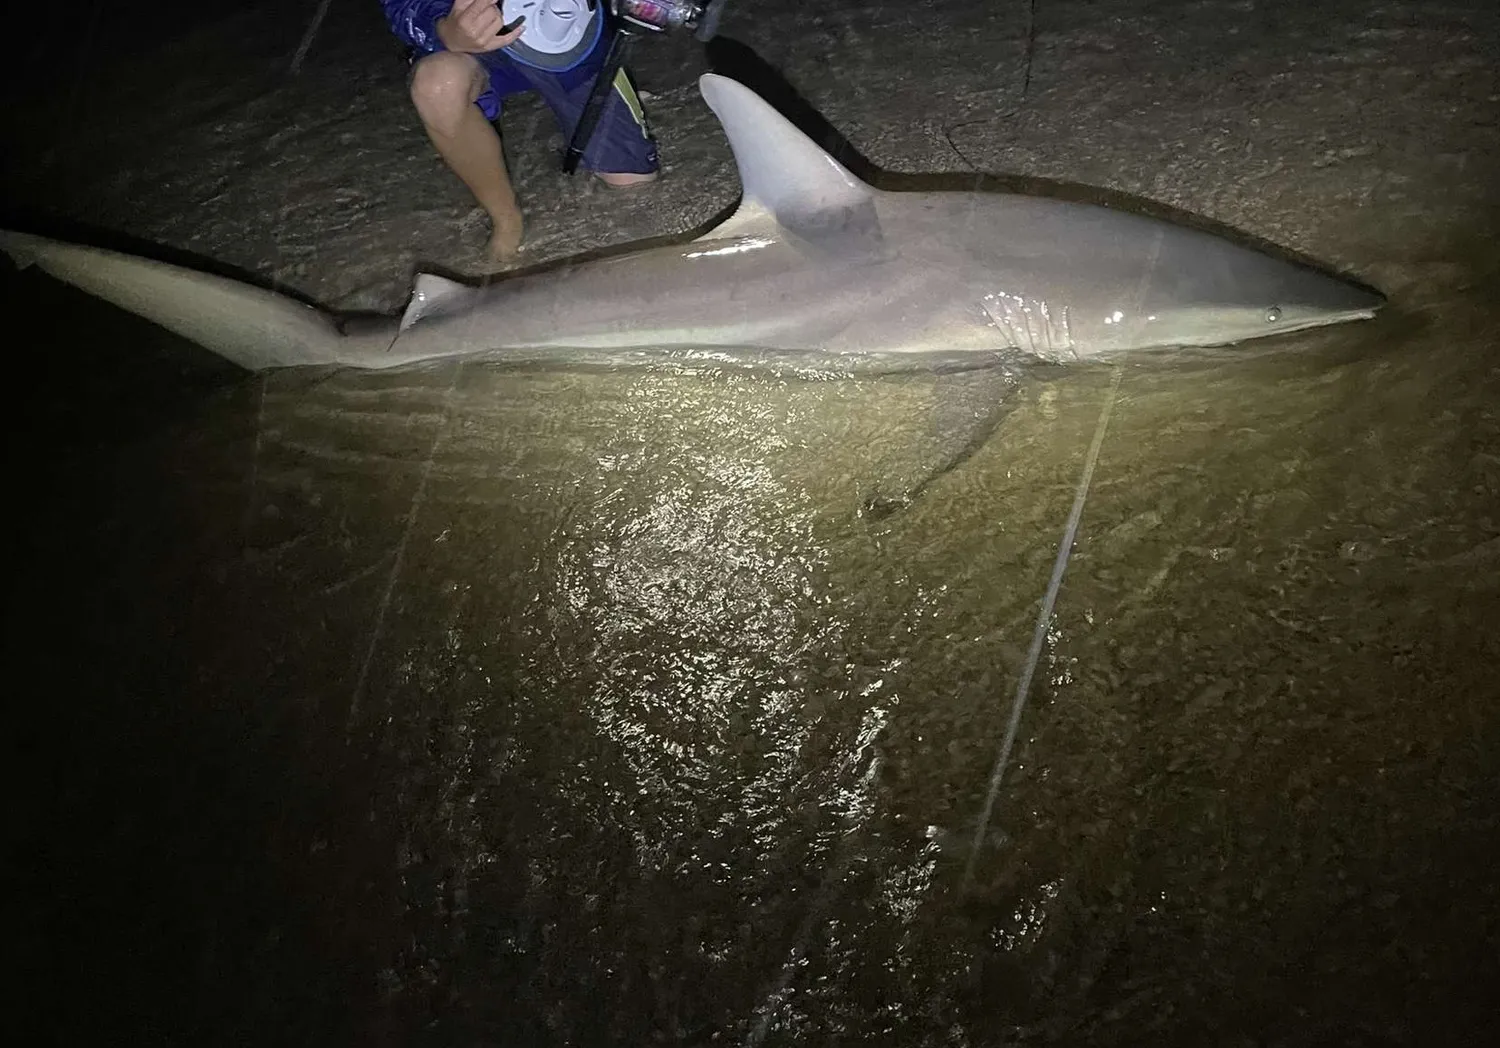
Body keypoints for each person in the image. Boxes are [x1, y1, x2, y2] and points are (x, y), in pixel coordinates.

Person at [380, 0, 660, 259]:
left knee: (634, 189)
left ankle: (616, 96)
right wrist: (440, 28)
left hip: (570, 39)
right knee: (437, 85)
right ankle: (506, 219)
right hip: (475, 45)